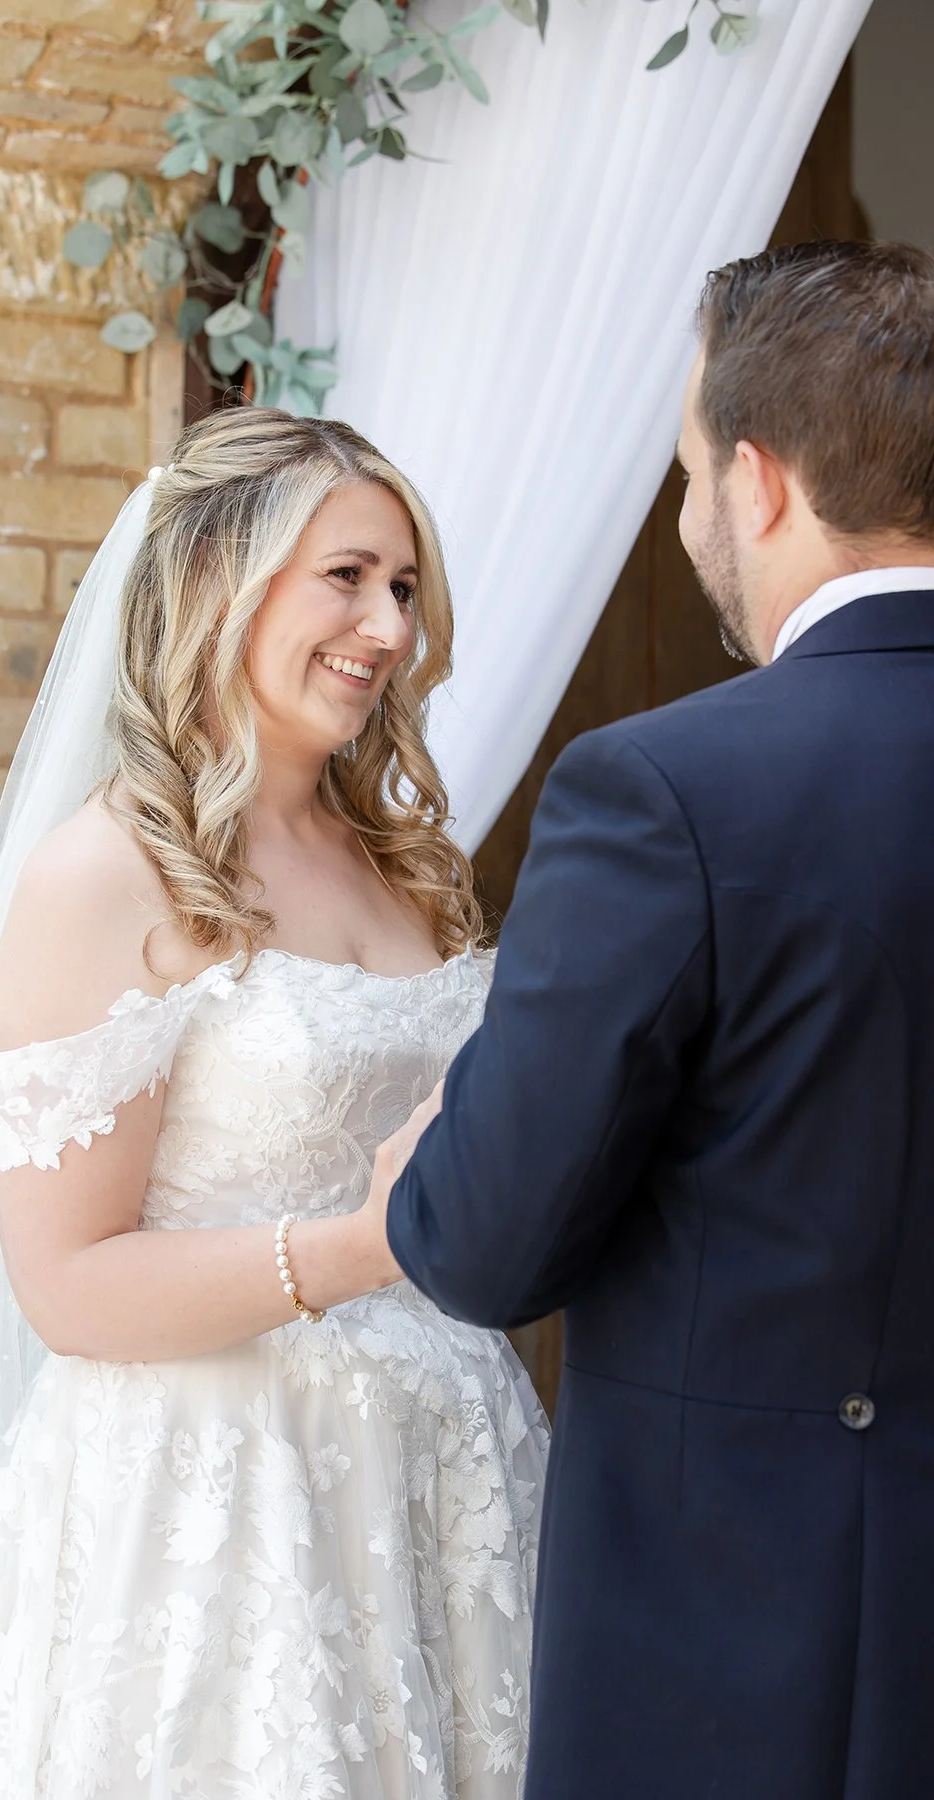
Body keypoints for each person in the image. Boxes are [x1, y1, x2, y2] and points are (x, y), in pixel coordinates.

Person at [0, 408, 548, 1800]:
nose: (389, 627)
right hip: (220, 1497)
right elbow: (67, 1284)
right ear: (213, 579)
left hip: (436, 1476)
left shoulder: (406, 861)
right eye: (347, 577)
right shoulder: (109, 872)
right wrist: (357, 1250)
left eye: (404, 587)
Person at [372, 237, 934, 1800]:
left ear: (759, 483)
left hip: (761, 1654)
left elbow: (489, 1245)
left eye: (689, 476)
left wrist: (428, 1171)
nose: (691, 519)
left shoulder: (666, 790)